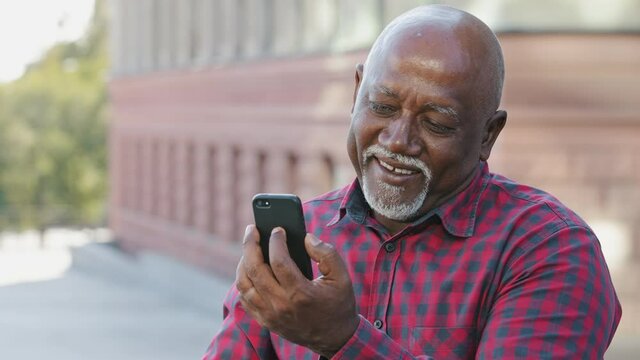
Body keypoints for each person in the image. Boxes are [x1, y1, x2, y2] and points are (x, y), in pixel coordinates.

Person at [203, 5, 621, 359]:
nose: (398, 141)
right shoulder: (299, 238)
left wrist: (343, 339)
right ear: (355, 95)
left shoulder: (548, 249)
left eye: (437, 124)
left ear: (488, 135)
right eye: (382, 107)